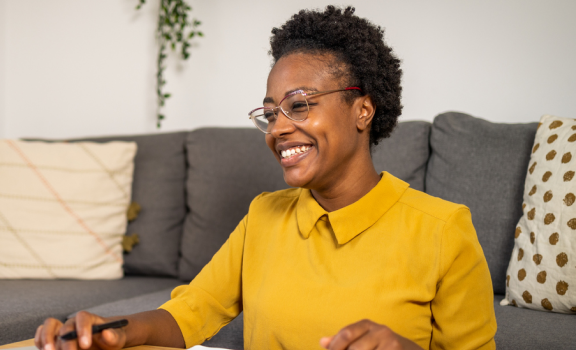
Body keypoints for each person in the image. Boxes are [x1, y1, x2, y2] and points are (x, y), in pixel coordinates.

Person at [35, 5, 497, 350]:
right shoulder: (264, 216)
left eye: (299, 105)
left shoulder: (443, 230)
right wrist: (111, 332)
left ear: (363, 109)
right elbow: (190, 313)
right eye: (271, 113)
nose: (277, 128)